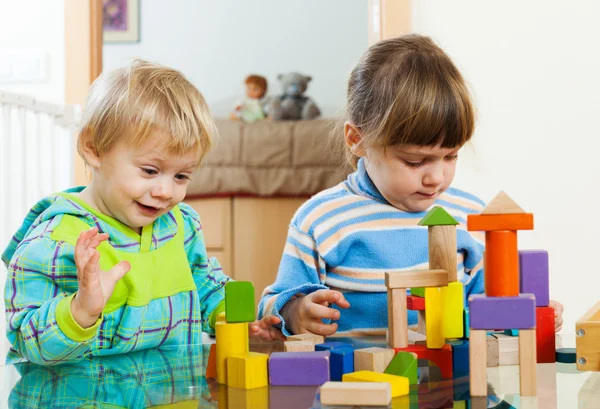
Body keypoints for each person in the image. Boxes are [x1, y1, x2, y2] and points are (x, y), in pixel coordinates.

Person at [258, 34, 564, 337]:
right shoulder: (321, 219)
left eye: (451, 156)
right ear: (357, 140)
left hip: (454, 379)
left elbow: (492, 305)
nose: (436, 178)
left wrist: (527, 311)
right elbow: (273, 304)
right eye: (415, 161)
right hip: (359, 382)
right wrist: (295, 312)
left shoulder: (470, 215)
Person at [2, 60, 283, 366]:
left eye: (181, 176)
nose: (165, 191)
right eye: (150, 170)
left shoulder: (181, 225)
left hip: (172, 393)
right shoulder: (55, 238)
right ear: (94, 149)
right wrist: (81, 311)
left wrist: (235, 322)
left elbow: (203, 285)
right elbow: (26, 342)